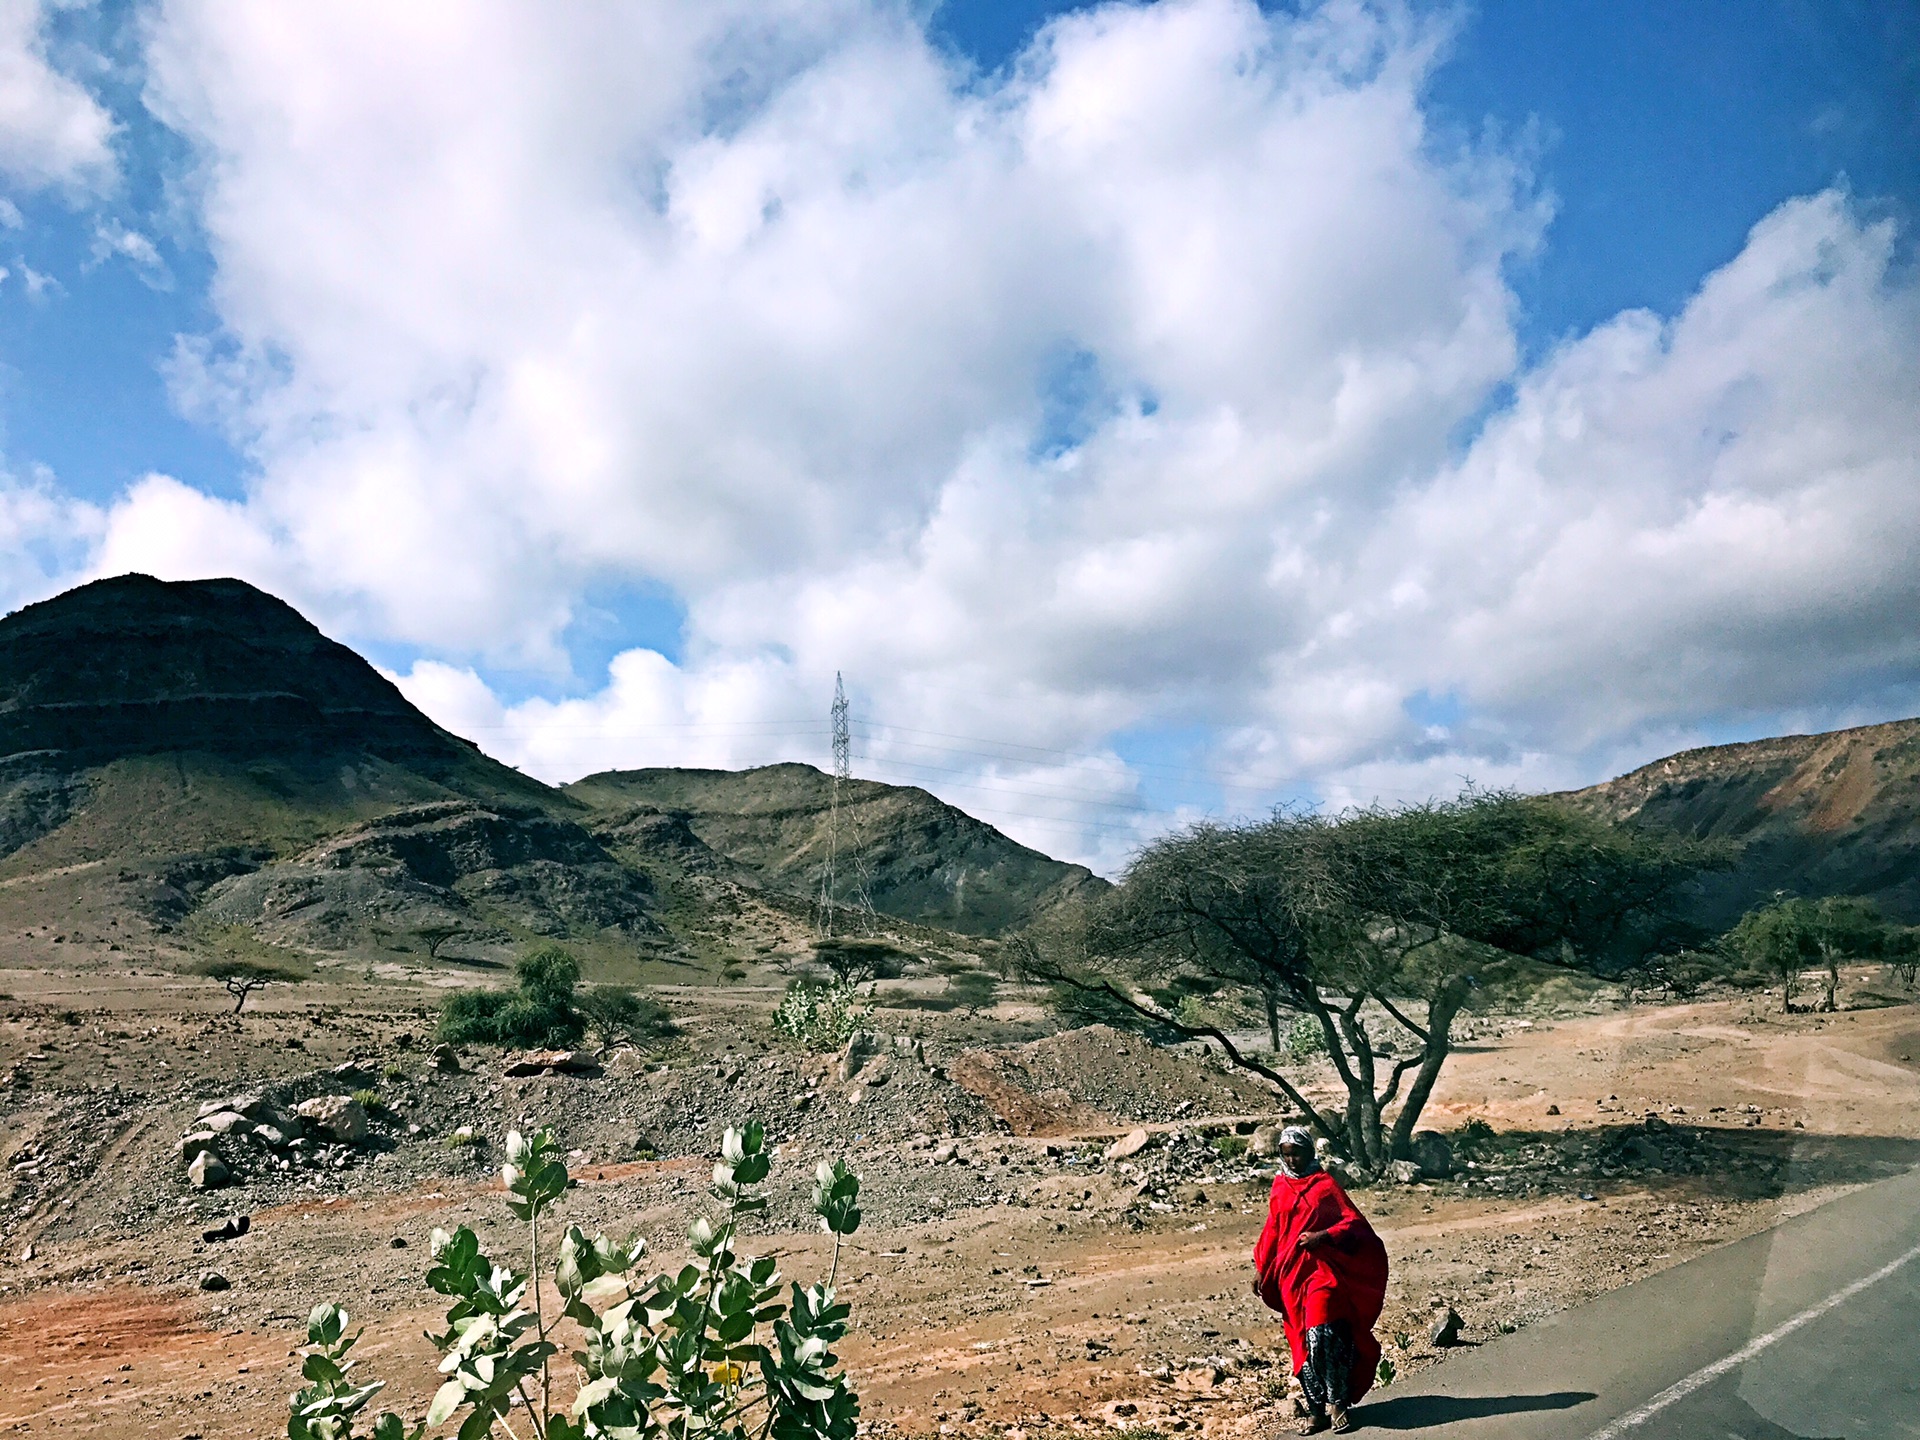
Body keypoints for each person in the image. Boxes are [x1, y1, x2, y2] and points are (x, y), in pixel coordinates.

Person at [1252, 1126, 1389, 1434]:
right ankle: (1315, 1410)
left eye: (1297, 1153)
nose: (1292, 1160)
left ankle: (1338, 1403)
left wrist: (1323, 1236)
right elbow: (1273, 1230)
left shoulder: (1325, 1185)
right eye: (1286, 1154)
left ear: (1310, 1153)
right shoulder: (1280, 1186)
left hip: (1321, 1273)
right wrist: (1262, 1268)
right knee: (1299, 1341)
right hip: (1290, 1277)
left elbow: (1352, 1222)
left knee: (1324, 1335)